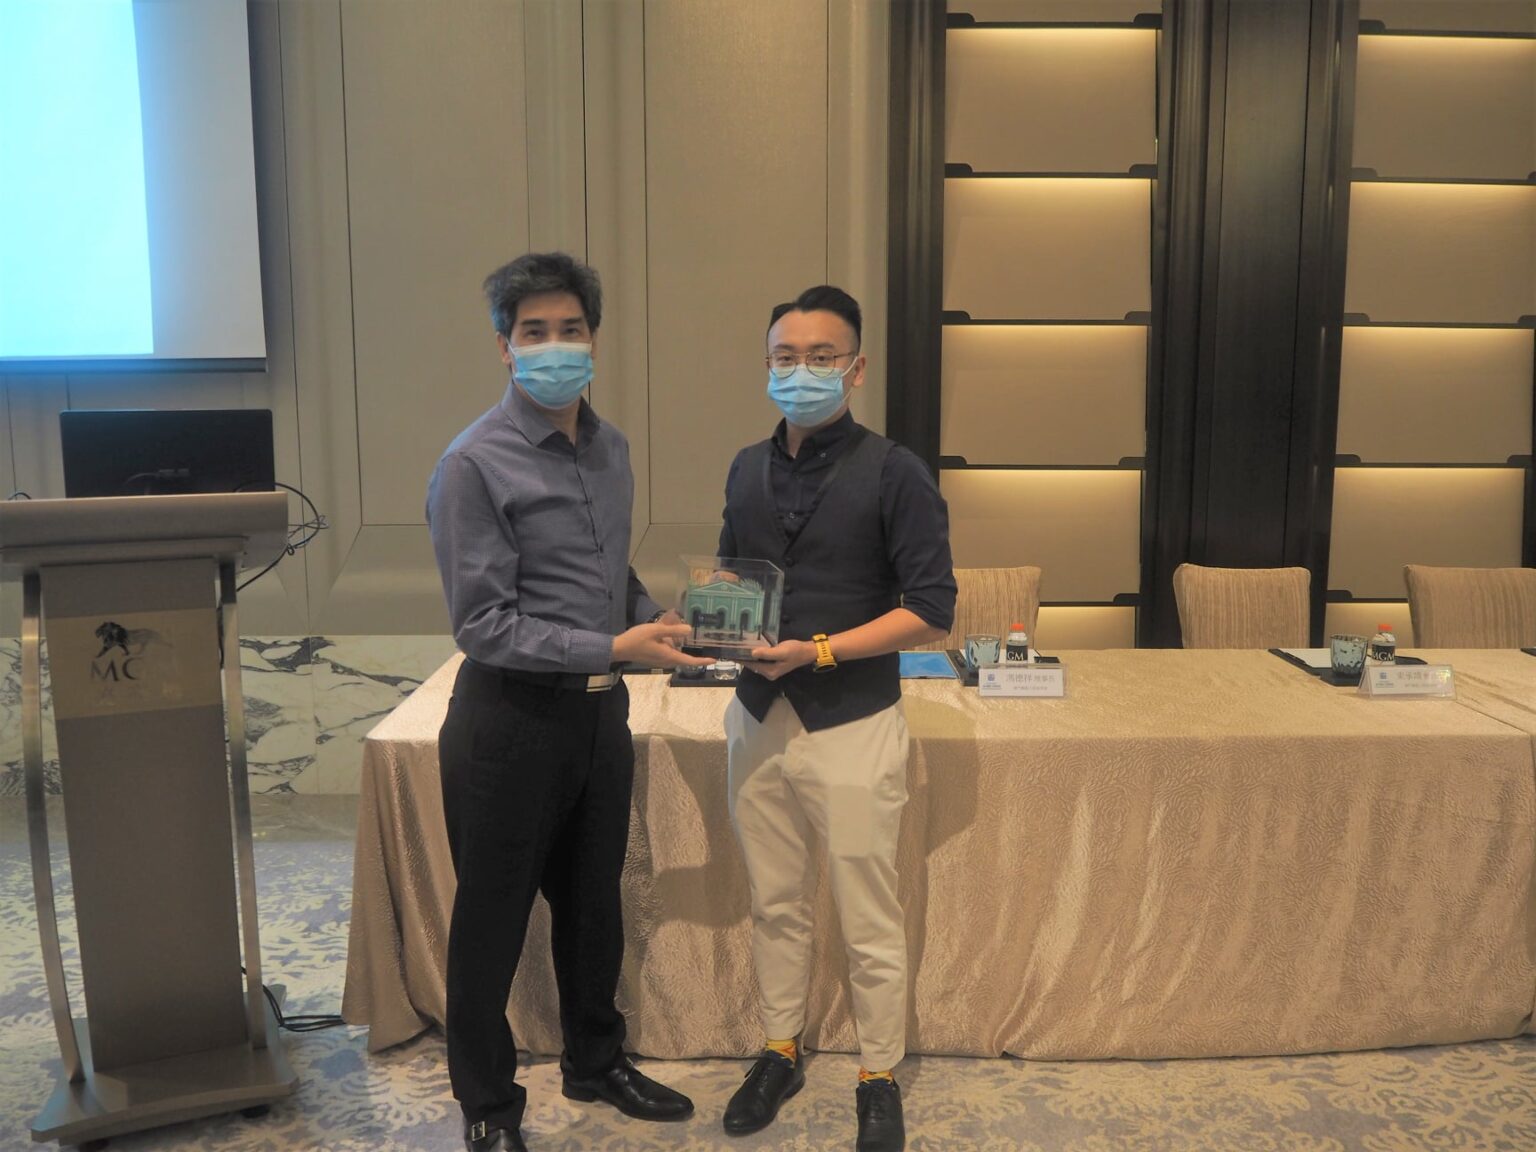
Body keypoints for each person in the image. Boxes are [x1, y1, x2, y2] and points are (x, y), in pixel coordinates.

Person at [426, 252, 710, 1152]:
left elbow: (605, 575)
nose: (555, 346)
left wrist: (650, 618)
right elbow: (483, 624)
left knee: (594, 906)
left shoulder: (611, 448)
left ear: (595, 339)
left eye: (571, 330)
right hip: (508, 722)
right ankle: (487, 1106)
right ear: (504, 347)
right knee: (492, 922)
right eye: (534, 332)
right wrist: (613, 647)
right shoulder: (473, 464)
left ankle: (596, 1059)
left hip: (599, 717)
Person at [716, 285, 957, 1152]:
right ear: (767, 366)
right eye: (787, 357)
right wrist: (718, 625)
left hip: (853, 721)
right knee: (775, 899)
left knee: (867, 909)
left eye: (822, 357)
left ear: (855, 370)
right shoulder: (746, 465)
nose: (802, 372)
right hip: (756, 715)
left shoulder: (896, 471)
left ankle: (877, 1073)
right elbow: (732, 573)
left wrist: (817, 651)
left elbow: (931, 609)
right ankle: (780, 1047)